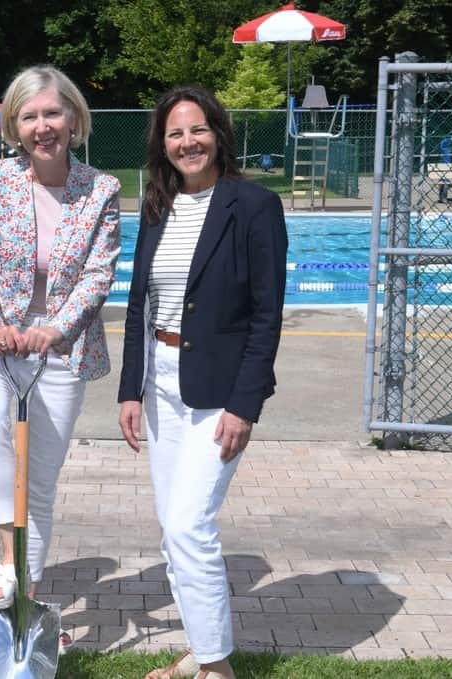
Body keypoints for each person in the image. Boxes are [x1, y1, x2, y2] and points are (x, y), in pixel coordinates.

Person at [117, 86, 287, 679]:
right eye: (174, 134)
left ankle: (218, 667)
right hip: (160, 385)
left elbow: (267, 316)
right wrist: (129, 389)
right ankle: (200, 649)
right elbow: (141, 303)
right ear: (161, 146)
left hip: (218, 392)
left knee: (190, 526)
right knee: (173, 531)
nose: (187, 142)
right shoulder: (157, 205)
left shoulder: (255, 205)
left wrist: (245, 404)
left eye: (197, 130)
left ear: (218, 134)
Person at [0, 65, 120, 652]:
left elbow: (99, 275)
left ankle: (26, 602)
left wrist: (55, 327)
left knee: (39, 481)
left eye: (52, 113)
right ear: (14, 126)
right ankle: (8, 557)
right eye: (30, 116)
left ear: (74, 119)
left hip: (61, 347)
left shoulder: (102, 189)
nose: (42, 126)